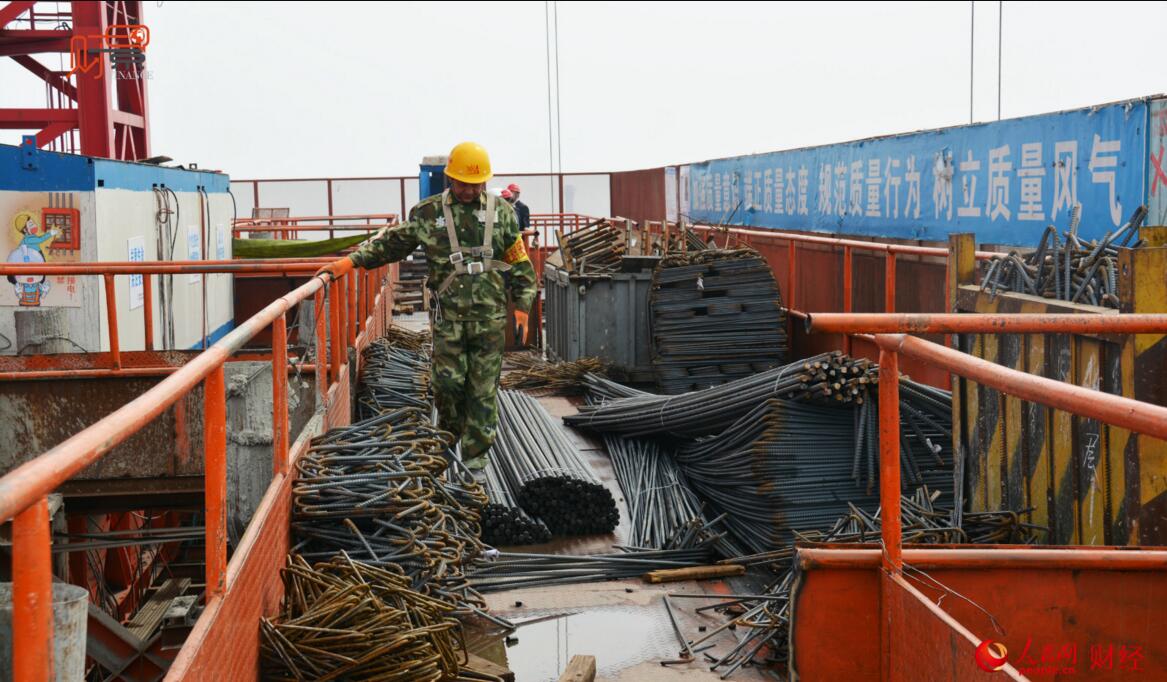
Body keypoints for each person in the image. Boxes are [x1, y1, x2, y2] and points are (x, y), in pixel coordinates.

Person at [326, 142, 537, 470]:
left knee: (482, 391)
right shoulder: (428, 214)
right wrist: (353, 261)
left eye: (476, 184)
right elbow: (393, 244)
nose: (470, 190)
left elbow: (520, 263)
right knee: (448, 387)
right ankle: (448, 444)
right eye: (463, 184)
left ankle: (475, 464)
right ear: (450, 179)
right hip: (449, 319)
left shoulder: (503, 214)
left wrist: (522, 305)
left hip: (489, 320)